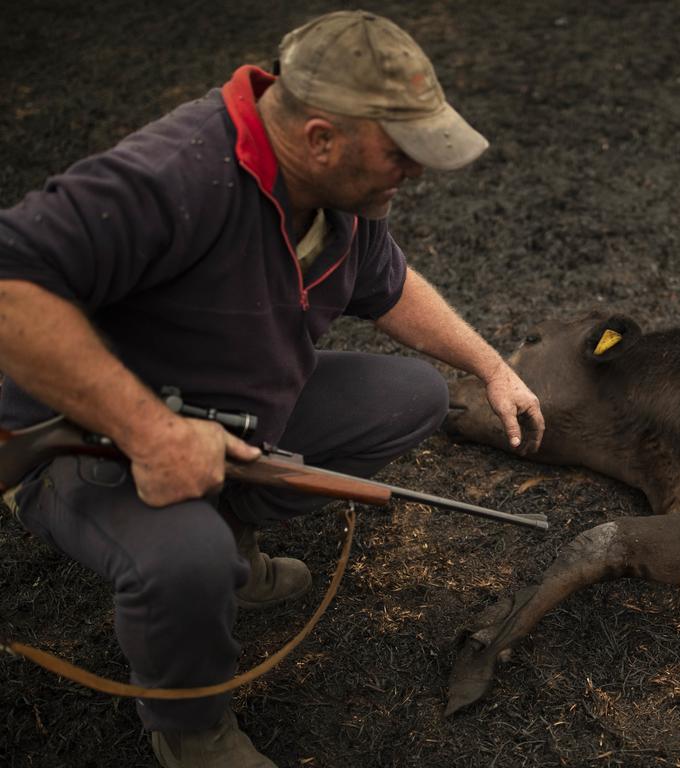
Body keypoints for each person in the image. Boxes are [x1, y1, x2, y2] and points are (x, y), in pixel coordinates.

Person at [0, 10, 544, 768]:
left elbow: (387, 288)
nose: (416, 171)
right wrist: (152, 435)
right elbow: (11, 287)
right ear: (320, 138)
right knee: (185, 560)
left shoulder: (340, 195)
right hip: (83, 438)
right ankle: (191, 730)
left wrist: (491, 366)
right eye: (402, 151)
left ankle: (232, 535)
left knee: (411, 396)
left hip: (228, 419)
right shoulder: (172, 175)